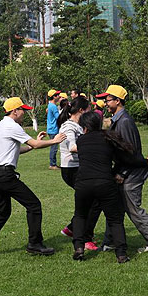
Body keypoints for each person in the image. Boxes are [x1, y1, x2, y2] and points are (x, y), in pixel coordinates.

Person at [0, 98, 66, 257]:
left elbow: (15, 150)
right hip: (6, 176)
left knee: (2, 213)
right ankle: (35, 244)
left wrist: (34, 144)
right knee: (34, 205)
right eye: (23, 110)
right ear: (14, 111)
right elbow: (35, 144)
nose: (24, 113)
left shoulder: (0, 126)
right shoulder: (12, 126)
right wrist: (54, 140)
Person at [71, 112, 148, 263]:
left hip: (83, 183)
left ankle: (79, 247)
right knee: (115, 219)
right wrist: (145, 162)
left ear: (84, 127)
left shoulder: (81, 141)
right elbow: (127, 158)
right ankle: (121, 254)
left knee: (80, 215)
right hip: (105, 183)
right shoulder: (108, 139)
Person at [96, 85, 148, 253]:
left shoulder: (125, 121)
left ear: (118, 100)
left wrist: (122, 173)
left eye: (107, 100)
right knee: (115, 209)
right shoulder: (118, 119)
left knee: (133, 209)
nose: (105, 103)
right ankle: (111, 241)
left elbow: (130, 152)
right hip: (126, 171)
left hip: (131, 174)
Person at [56, 98, 100, 251]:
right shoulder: (68, 126)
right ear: (81, 110)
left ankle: (72, 228)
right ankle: (85, 237)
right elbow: (72, 147)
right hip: (72, 170)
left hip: (79, 168)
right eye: (89, 109)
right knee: (93, 201)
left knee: (92, 200)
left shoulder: (78, 125)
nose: (91, 113)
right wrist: (94, 147)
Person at [46, 89, 62, 170]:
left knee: (54, 147)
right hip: (54, 129)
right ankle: (52, 164)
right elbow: (58, 118)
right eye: (57, 95)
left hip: (51, 129)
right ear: (54, 97)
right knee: (54, 148)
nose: (59, 96)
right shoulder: (53, 106)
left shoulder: (50, 106)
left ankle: (53, 163)